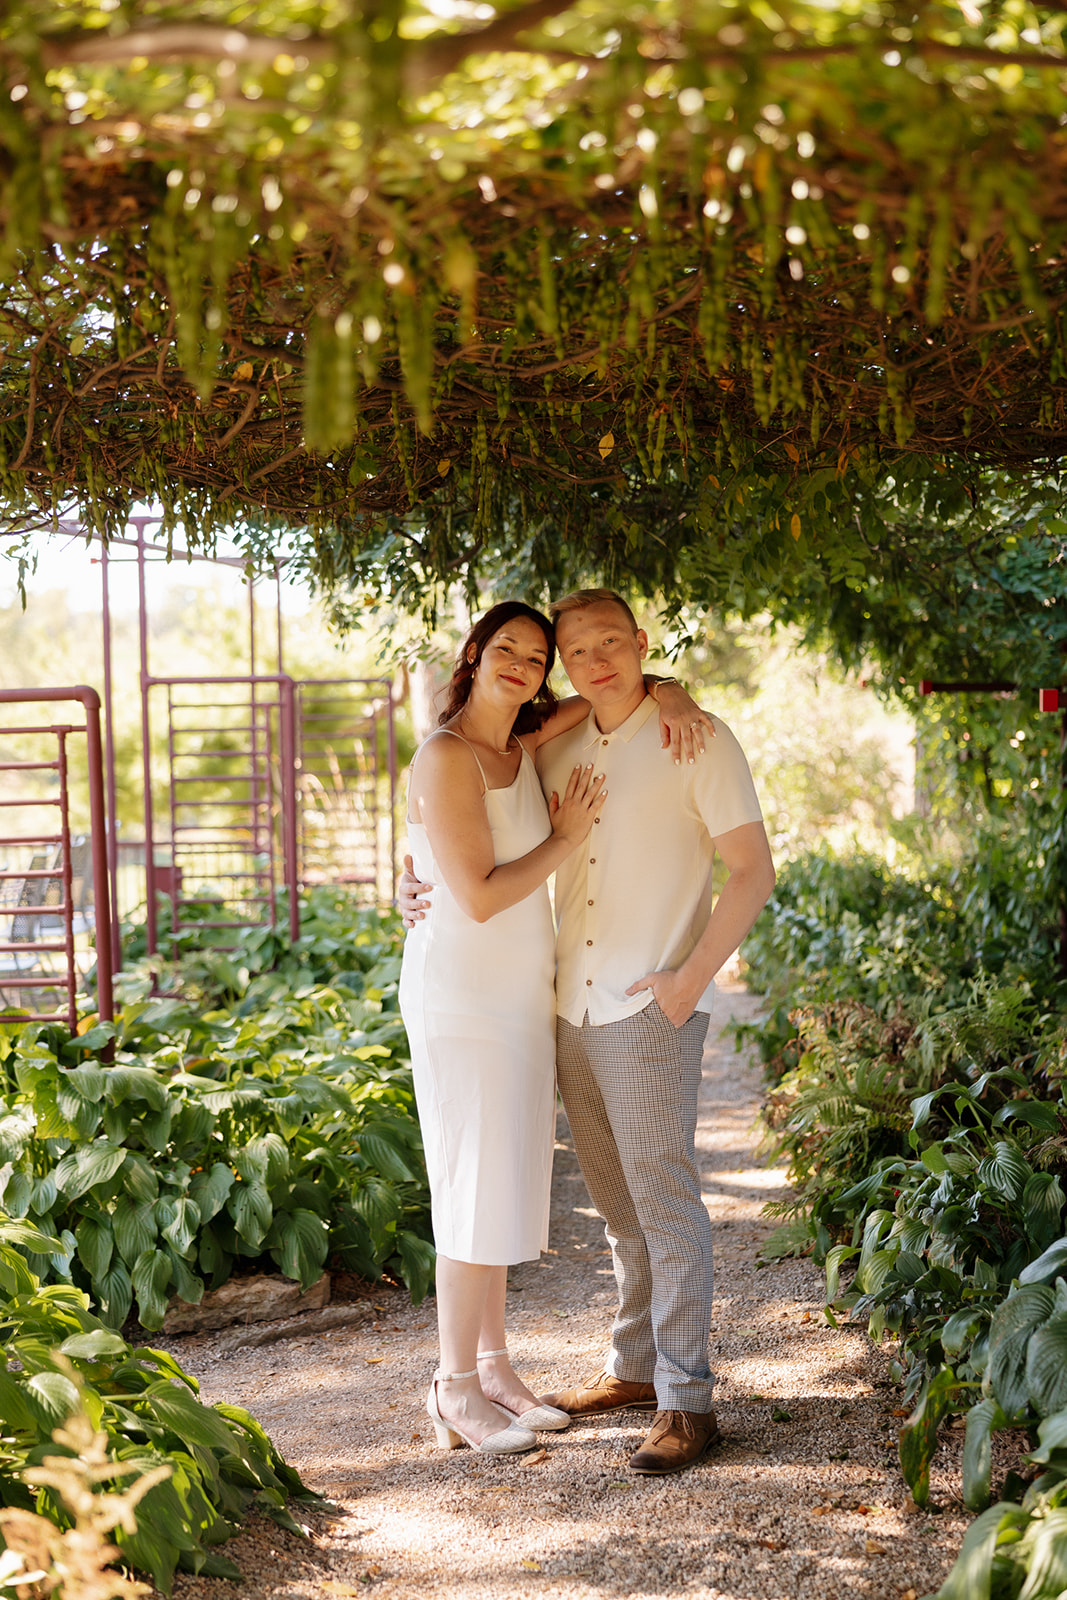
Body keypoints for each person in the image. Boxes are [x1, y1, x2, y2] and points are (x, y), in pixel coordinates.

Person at [401, 590, 775, 1475]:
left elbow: (752, 872)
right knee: (616, 1209)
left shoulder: (699, 737)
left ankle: (687, 1400)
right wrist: (406, 874)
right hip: (558, 1004)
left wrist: (690, 980)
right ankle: (632, 1368)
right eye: (574, 650)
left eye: (612, 642)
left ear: (642, 642)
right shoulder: (553, 739)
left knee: (665, 1202)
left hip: (648, 1004)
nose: (593, 659)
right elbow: (450, 785)